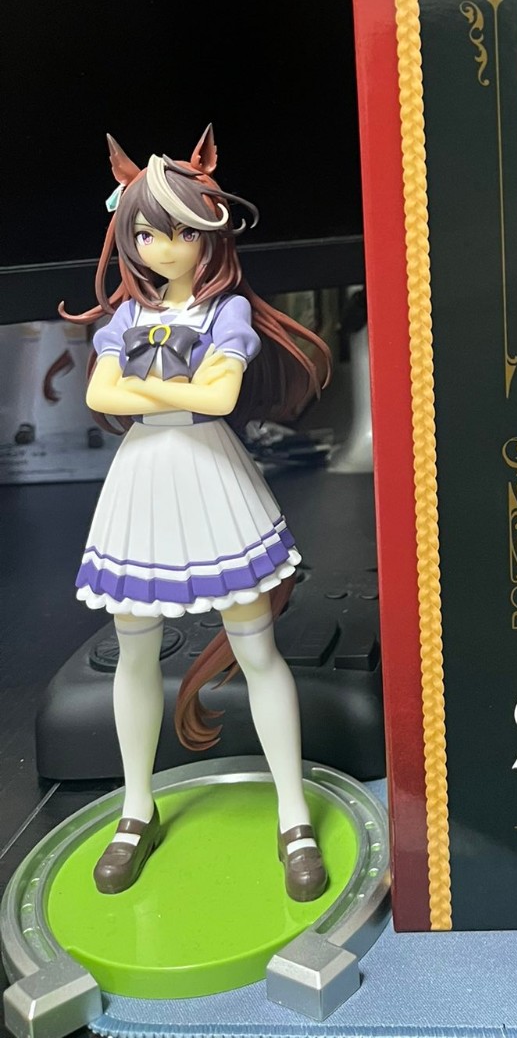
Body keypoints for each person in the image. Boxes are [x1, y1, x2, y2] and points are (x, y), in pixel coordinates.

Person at [63, 127, 332, 899]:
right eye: (148, 232)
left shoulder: (228, 312)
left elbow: (218, 396)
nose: (164, 246)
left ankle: (293, 815)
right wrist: (174, 390)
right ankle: (135, 807)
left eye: (180, 230)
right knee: (134, 653)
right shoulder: (122, 317)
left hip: (213, 480)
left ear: (208, 230)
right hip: (143, 484)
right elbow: (99, 393)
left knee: (257, 652)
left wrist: (147, 389)